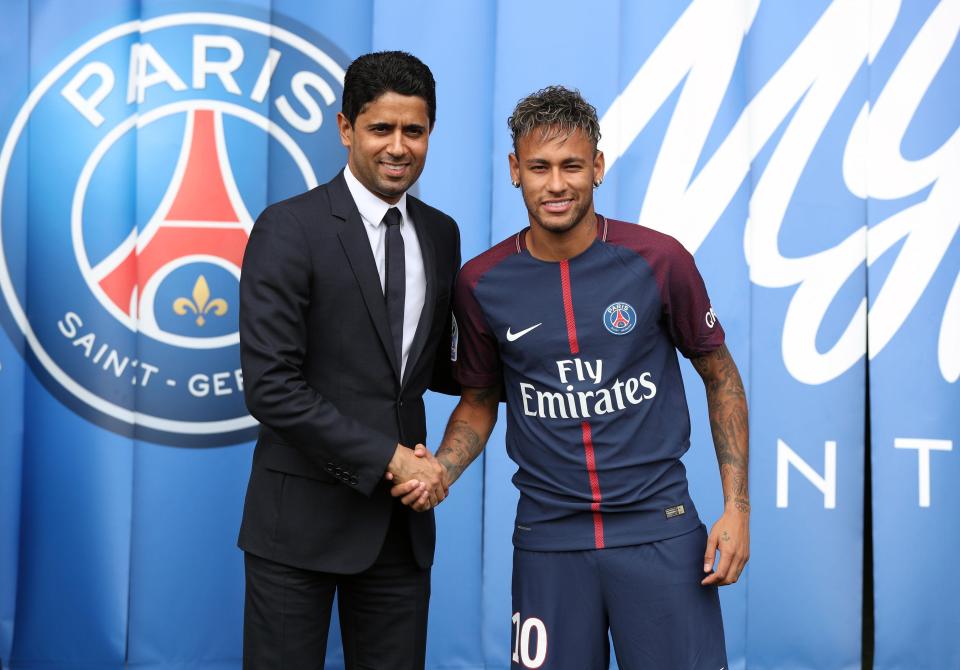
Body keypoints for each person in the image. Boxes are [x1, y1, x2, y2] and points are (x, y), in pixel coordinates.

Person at [394, 86, 749, 669]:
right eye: (539, 167)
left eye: (571, 166)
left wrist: (737, 509)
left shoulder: (660, 260)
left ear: (598, 167)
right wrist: (443, 468)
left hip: (659, 532)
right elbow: (481, 400)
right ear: (515, 171)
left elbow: (722, 376)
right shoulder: (481, 282)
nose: (556, 184)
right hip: (548, 539)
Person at [238, 51, 459, 669]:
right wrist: (387, 457)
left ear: (430, 133)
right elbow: (271, 387)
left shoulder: (442, 233)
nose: (397, 146)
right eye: (379, 128)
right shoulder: (288, 228)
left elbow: (433, 367)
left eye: (412, 131)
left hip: (399, 533)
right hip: (298, 528)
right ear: (345, 129)